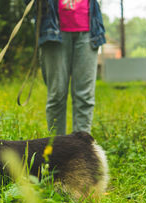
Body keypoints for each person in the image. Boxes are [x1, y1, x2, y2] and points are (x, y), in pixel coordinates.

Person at [27, 0, 106, 135]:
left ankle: (83, 147)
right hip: (53, 31)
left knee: (85, 96)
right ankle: (58, 149)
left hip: (89, 29)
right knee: (56, 95)